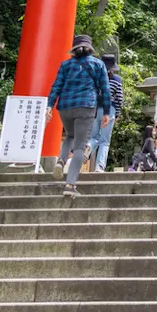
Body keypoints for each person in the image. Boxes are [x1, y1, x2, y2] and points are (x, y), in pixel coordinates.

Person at [47, 35, 111, 197]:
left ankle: (61, 160)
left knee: (70, 135)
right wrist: (107, 112)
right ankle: (70, 185)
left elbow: (57, 86)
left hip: (65, 106)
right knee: (80, 146)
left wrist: (49, 105)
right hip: (86, 106)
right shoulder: (98, 64)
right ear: (90, 49)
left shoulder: (66, 65)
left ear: (74, 49)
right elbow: (105, 89)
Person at [86, 55, 123, 172]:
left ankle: (88, 147)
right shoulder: (116, 80)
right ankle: (99, 166)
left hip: (95, 110)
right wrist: (117, 114)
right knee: (105, 141)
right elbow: (119, 99)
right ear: (112, 68)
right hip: (109, 110)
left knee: (94, 136)